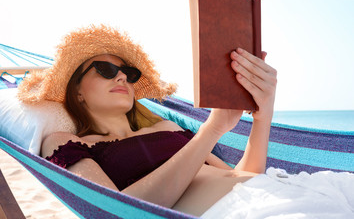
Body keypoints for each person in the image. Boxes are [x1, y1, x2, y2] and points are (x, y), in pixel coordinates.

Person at [17, 25, 277, 216]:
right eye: (106, 70)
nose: (121, 78)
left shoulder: (168, 128)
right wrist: (211, 130)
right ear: (77, 91)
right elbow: (111, 210)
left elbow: (243, 175)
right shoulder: (67, 143)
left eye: (128, 73)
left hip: (278, 196)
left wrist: (263, 115)